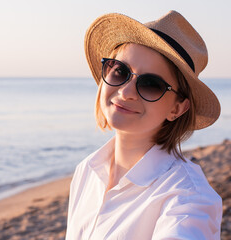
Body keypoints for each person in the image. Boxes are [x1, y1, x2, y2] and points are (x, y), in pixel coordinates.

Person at [66, 10, 222, 240]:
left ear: (177, 108)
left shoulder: (187, 197)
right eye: (120, 71)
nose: (126, 92)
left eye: (151, 84)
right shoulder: (87, 170)